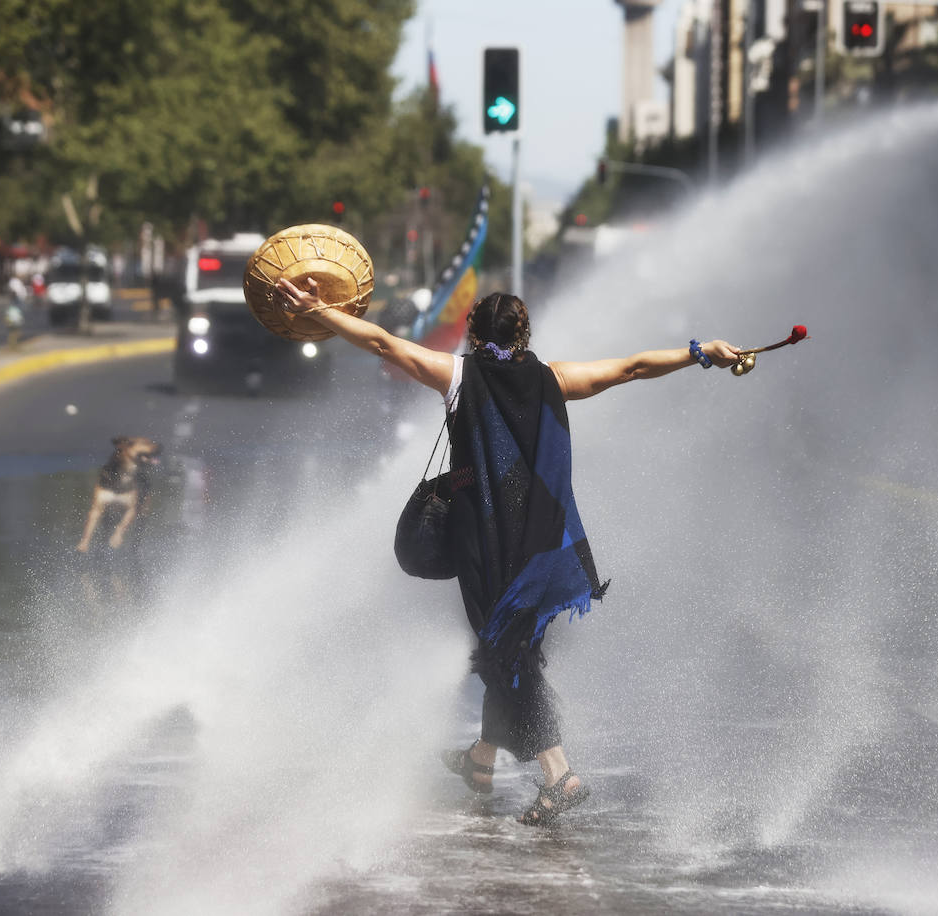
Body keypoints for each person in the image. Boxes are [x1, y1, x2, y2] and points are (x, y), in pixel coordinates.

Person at [275, 278, 740, 826]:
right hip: (545, 547)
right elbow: (634, 367)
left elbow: (381, 342)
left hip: (486, 545)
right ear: (525, 334)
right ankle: (480, 760)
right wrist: (700, 353)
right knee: (511, 649)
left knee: (506, 656)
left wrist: (320, 310)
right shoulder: (554, 379)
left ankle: (560, 775)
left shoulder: (457, 376)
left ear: (473, 335)